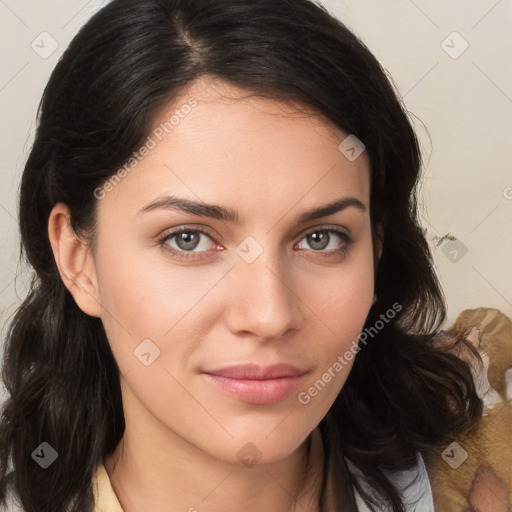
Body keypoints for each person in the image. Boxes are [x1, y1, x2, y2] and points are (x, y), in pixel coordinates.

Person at [0, 0, 483, 511]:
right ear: (78, 260)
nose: (269, 315)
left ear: (376, 252)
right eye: (189, 239)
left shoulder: (482, 475)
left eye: (321, 238)